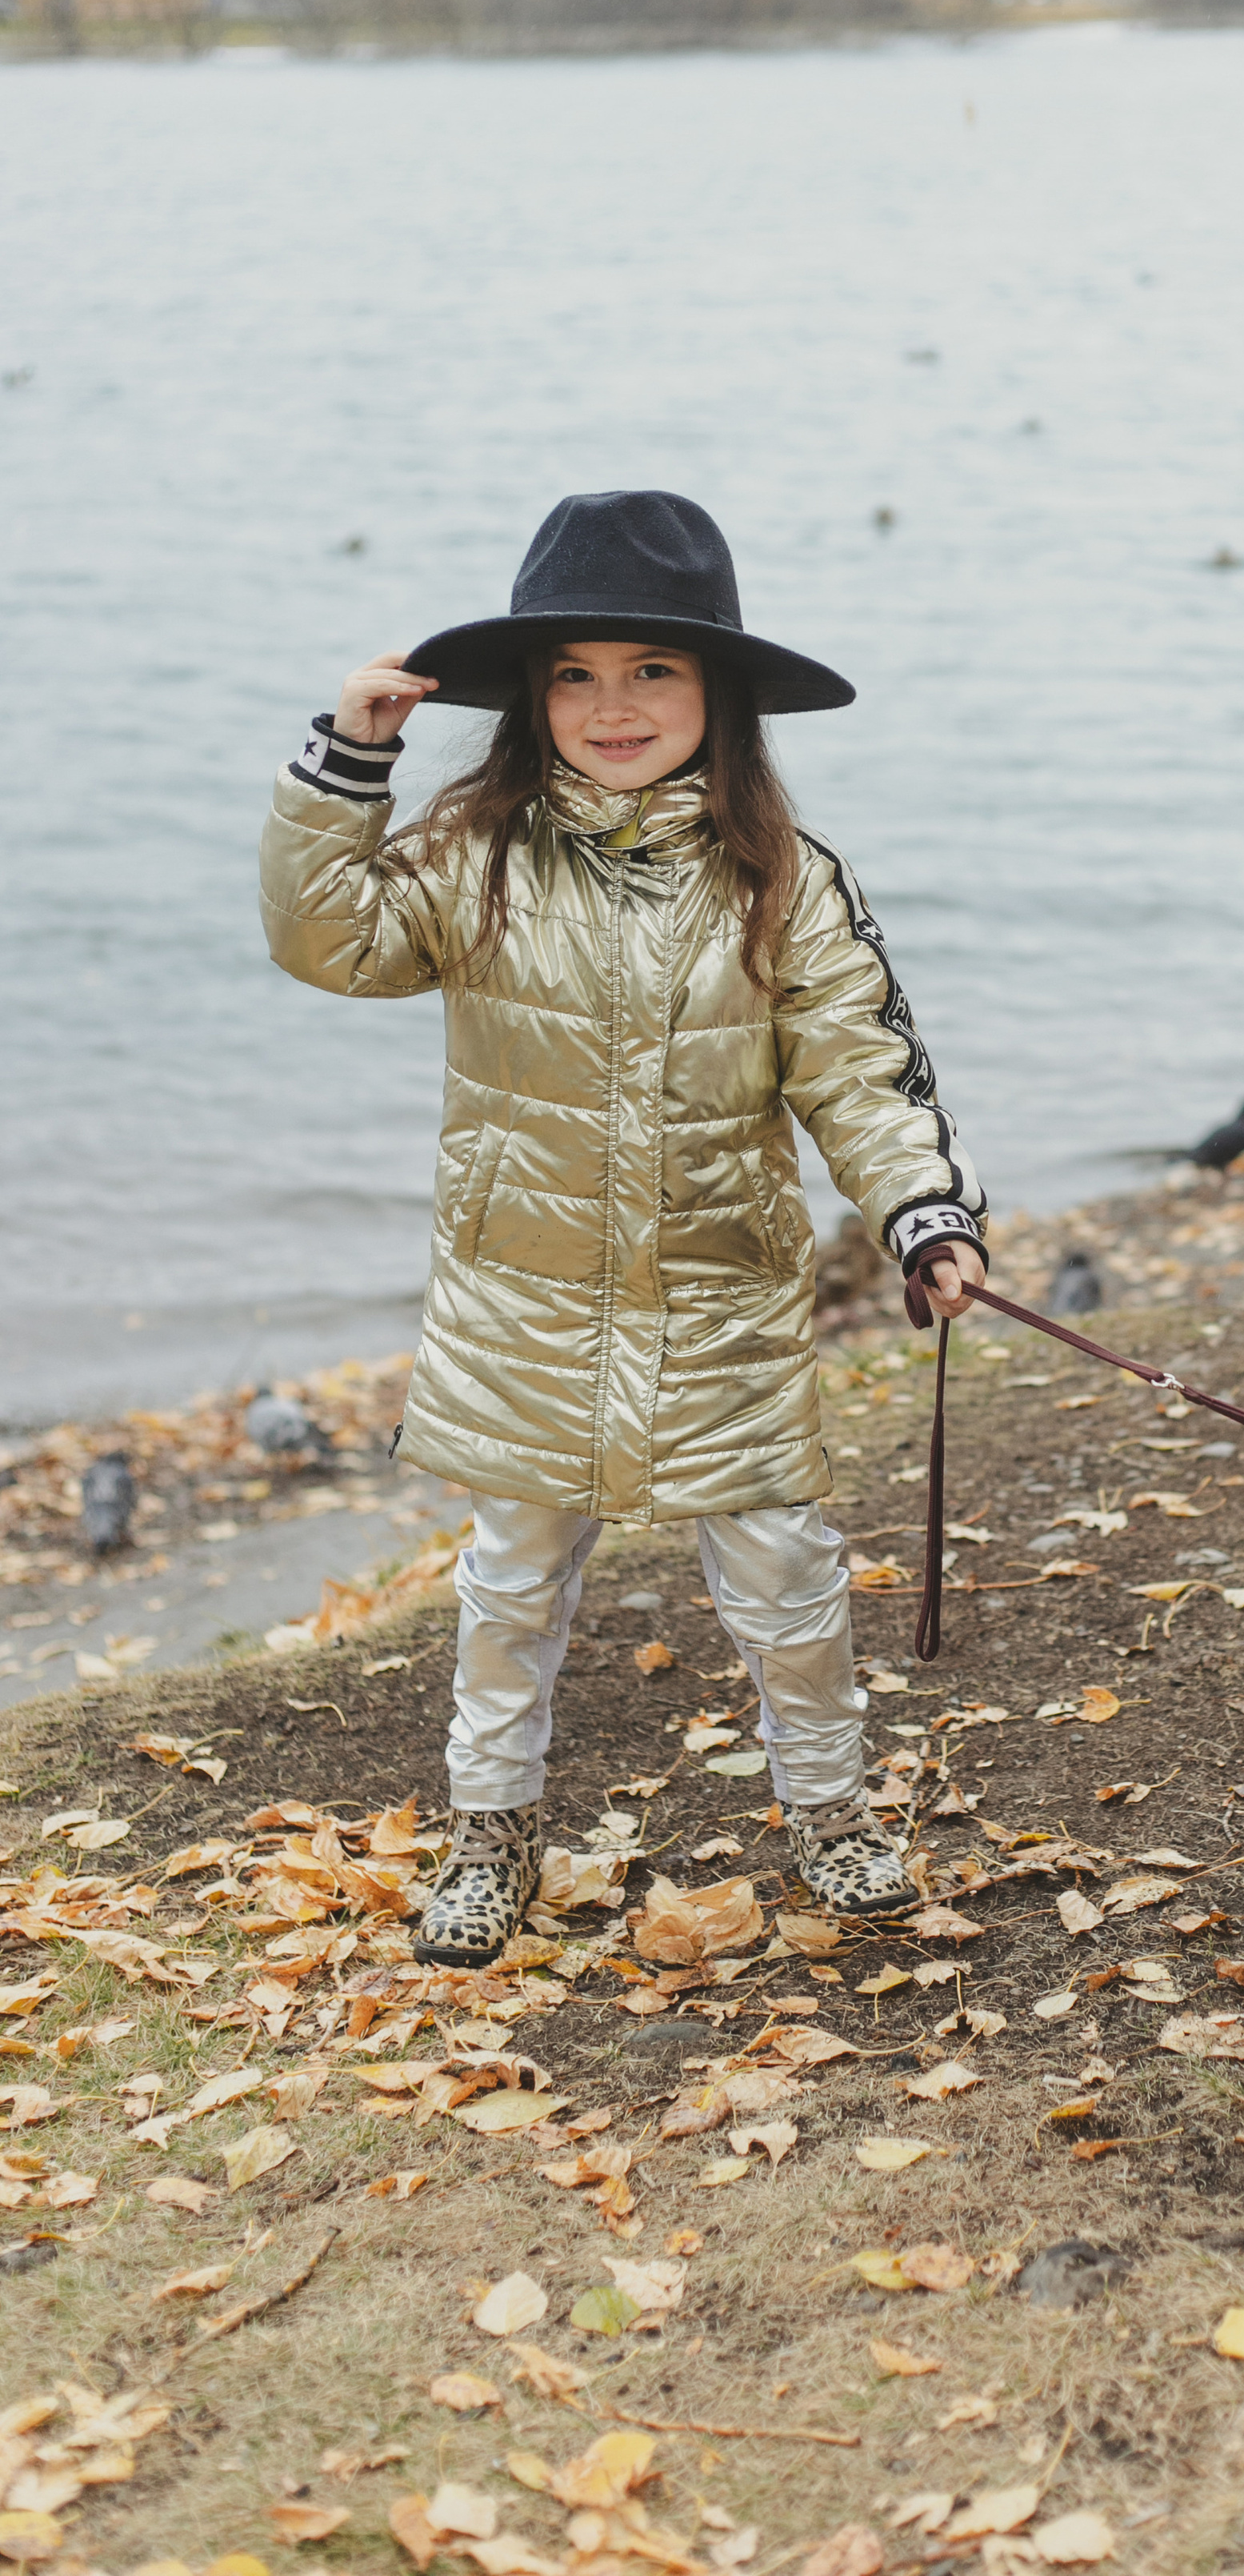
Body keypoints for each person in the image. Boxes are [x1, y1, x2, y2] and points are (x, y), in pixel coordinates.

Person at [259, 489, 987, 1965]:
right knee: (511, 1585)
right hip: (519, 1297)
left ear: (718, 691)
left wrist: (922, 1213)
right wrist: (354, 758)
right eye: (577, 673)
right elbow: (324, 938)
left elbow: (860, 1069)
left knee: (786, 1581)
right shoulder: (475, 858)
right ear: (532, 698)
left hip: (720, 1295)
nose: (613, 705)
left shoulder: (786, 879)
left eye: (652, 670)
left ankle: (835, 1815)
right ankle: (491, 1834)